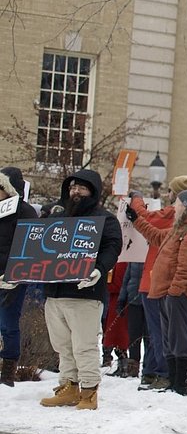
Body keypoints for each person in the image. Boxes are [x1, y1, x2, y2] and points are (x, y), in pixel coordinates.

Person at [35, 169, 123, 409]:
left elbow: (113, 246)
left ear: (92, 192)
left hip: (84, 293)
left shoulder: (105, 219)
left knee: (84, 345)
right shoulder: (57, 216)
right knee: (63, 345)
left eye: (82, 188)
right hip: (54, 292)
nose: (76, 191)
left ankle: (89, 391)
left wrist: (99, 269)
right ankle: (68, 385)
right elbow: (36, 244)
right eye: (73, 187)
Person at [128, 187, 187, 397]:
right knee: (170, 338)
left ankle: (181, 384)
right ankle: (174, 381)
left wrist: (175, 291)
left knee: (180, 338)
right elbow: (156, 236)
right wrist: (136, 220)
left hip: (178, 293)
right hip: (169, 292)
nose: (173, 207)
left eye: (177, 203)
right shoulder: (181, 228)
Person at [128, 174, 187, 390]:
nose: (167, 195)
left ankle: (161, 372)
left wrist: (136, 198)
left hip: (158, 279)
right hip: (153, 277)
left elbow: (144, 216)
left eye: (170, 192)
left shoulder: (175, 214)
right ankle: (150, 371)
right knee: (153, 330)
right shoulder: (179, 216)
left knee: (159, 331)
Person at [0, 166, 39, 386]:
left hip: (12, 279)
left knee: (8, 324)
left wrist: (12, 276)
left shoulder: (25, 212)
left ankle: (7, 372)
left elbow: (30, 249)